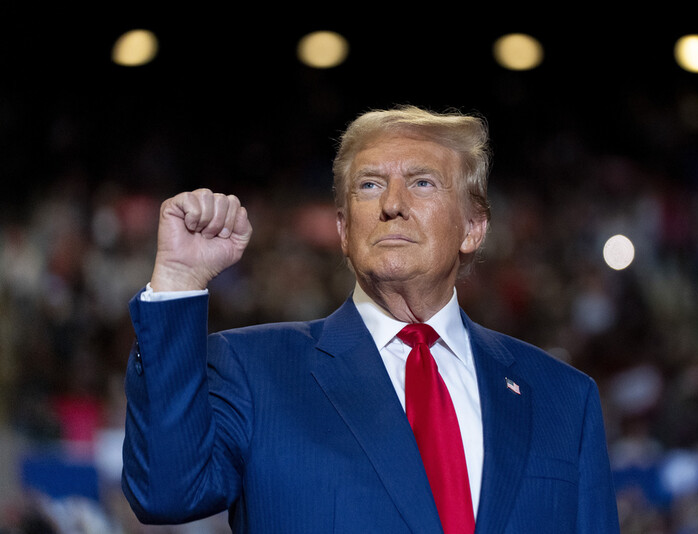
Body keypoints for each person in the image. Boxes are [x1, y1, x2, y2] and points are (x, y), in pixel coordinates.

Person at [122, 105, 620, 533]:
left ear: (473, 228)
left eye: (422, 182)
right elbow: (167, 492)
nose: (392, 204)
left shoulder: (562, 398)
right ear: (343, 229)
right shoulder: (254, 371)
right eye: (369, 185)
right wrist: (178, 280)